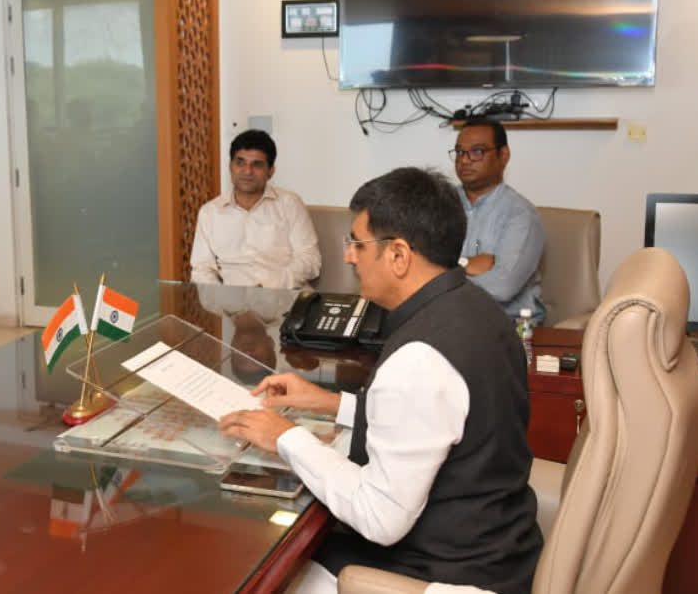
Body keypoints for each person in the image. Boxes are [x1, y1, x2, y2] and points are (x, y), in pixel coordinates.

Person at [219, 167, 542, 594]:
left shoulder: (420, 358)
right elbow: (435, 420)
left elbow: (379, 517)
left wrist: (286, 437)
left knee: (259, 560)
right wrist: (333, 403)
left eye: (357, 243)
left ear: (399, 255)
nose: (349, 257)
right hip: (502, 547)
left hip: (448, 571)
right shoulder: (477, 309)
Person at [190, 129, 321, 288]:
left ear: (271, 171)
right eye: (240, 162)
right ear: (230, 166)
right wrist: (223, 299)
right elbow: (201, 270)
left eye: (257, 164)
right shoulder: (210, 213)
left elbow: (310, 260)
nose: (247, 171)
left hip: (285, 296)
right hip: (232, 300)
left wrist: (268, 287)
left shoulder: (290, 204)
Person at [451, 118, 545, 323]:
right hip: (450, 320)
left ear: (504, 155)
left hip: (508, 326)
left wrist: (440, 276)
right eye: (459, 152)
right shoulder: (439, 204)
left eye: (477, 151)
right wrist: (465, 264)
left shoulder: (521, 215)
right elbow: (412, 269)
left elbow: (501, 288)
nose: (464, 160)